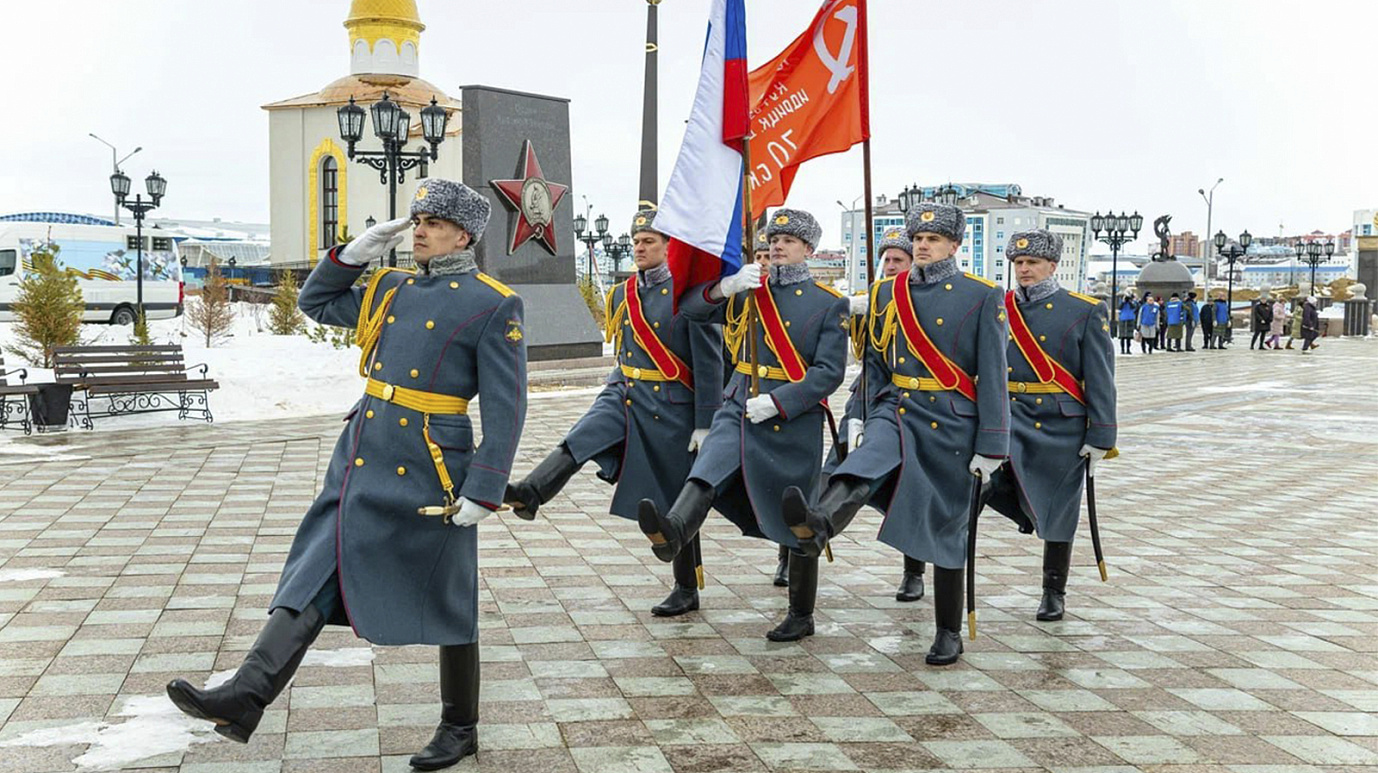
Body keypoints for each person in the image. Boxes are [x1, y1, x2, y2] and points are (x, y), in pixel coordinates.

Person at [166, 180, 527, 771]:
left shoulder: (491, 301)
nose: (419, 231)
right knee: (315, 567)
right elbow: (316, 303)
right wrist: (350, 256)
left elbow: (508, 406)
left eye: (433, 223)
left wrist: (485, 487)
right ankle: (246, 694)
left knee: (449, 594)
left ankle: (460, 726)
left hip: (431, 463)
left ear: (463, 235)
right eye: (417, 221)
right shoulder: (392, 286)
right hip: (364, 450)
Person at [779, 202, 1009, 666]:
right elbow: (876, 360)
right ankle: (818, 523)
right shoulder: (887, 292)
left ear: (954, 246)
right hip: (897, 406)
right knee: (856, 468)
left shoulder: (982, 295)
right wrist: (861, 414)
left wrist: (992, 446)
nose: (923, 246)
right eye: (918, 239)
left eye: (933, 240)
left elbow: (993, 374)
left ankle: (948, 631)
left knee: (945, 526)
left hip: (951, 418)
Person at [637, 208, 849, 642]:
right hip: (738, 401)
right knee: (706, 470)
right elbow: (693, 309)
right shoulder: (747, 291)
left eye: (789, 240)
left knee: (798, 514)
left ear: (808, 249)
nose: (778, 245)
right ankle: (674, 530)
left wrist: (780, 402)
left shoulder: (829, 303)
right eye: (774, 238)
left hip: (791, 416)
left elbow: (829, 372)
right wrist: (725, 286)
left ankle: (801, 613)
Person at [503, 211, 723, 617]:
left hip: (673, 401)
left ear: (670, 246)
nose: (639, 248)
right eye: (636, 240)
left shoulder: (687, 292)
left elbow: (709, 361)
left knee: (675, 494)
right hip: (625, 391)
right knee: (581, 436)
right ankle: (532, 492)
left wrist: (705, 422)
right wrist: (614, 383)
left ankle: (686, 587)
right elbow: (624, 345)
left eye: (650, 241)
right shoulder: (623, 293)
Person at [980, 230, 1116, 620]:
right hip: (1007, 416)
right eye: (1019, 264)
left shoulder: (1084, 310)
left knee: (1060, 510)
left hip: (1060, 421)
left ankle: (1053, 591)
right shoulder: (997, 307)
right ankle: (1018, 516)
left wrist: (1101, 434)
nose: (1024, 269)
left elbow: (1101, 377)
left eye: (1033, 263)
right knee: (979, 483)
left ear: (1052, 266)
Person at [829, 229, 926, 601]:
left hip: (910, 404)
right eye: (885, 260)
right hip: (866, 397)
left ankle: (913, 570)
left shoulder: (921, 304)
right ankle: (796, 550)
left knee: (912, 487)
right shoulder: (874, 301)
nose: (889, 266)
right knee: (831, 474)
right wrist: (856, 415)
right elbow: (865, 361)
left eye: (897, 260)